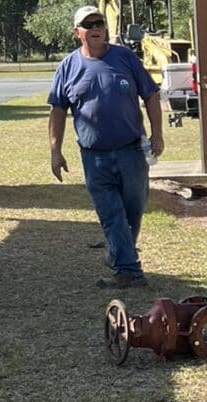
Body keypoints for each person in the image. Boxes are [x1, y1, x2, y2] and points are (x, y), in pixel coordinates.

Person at [49, 5, 164, 289]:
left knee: (132, 213)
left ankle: (118, 254)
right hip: (94, 157)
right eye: (88, 24)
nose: (96, 27)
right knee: (112, 213)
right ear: (78, 33)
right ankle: (129, 272)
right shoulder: (68, 66)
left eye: (99, 22)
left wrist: (157, 134)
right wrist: (55, 150)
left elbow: (151, 95)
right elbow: (58, 110)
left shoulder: (125, 58)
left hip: (133, 151)